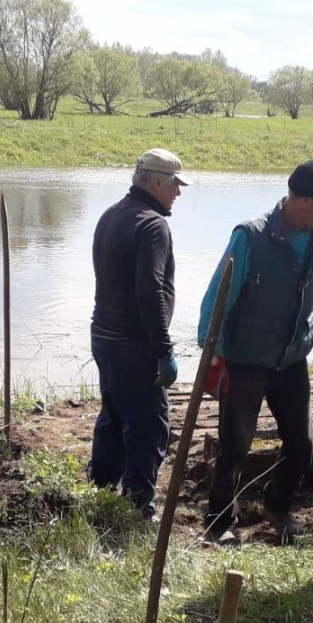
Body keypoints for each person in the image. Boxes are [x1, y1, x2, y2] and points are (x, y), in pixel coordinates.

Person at [196, 158, 313, 545]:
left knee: (302, 444)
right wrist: (215, 355)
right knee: (235, 446)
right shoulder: (251, 235)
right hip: (245, 361)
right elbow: (217, 300)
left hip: (292, 359)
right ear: (303, 199)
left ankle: (277, 505)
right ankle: (220, 522)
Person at [88, 148, 189, 518]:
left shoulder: (110, 215)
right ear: (157, 182)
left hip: (104, 334)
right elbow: (150, 291)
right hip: (135, 342)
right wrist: (164, 349)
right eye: (176, 184)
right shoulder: (153, 225)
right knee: (149, 423)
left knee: (114, 413)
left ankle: (100, 488)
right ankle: (136, 505)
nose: (178, 192)